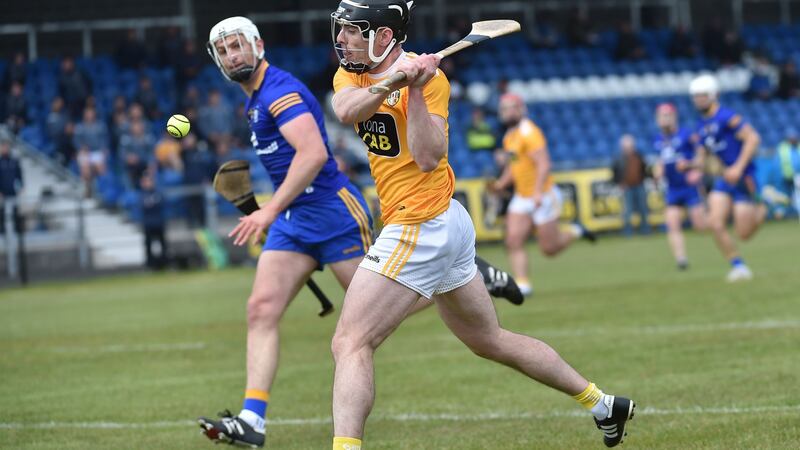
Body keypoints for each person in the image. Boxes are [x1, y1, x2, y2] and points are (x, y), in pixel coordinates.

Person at [196, 16, 523, 448]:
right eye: (223, 51)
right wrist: (277, 213)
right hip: (294, 219)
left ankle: (467, 273)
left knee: (367, 311)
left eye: (238, 46)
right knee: (261, 309)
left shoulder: (279, 93)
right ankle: (252, 418)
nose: (232, 55)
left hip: (331, 211)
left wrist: (267, 211)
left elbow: (312, 154)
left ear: (258, 46)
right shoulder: (253, 99)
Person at [329, 2, 634, 450]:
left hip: (422, 224)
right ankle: (603, 403)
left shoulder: (433, 82)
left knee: (349, 342)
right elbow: (346, 111)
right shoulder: (351, 76)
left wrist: (414, 88)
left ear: (383, 35)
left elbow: (429, 156)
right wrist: (396, 80)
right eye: (340, 30)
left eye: (352, 31)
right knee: (489, 340)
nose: (341, 39)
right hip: (440, 226)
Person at [489, 93, 595, 296]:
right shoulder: (509, 136)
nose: (507, 112)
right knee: (513, 240)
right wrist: (501, 183)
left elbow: (544, 164)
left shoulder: (530, 133)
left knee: (550, 249)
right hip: (522, 196)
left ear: (521, 109)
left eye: (511, 107)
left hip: (543, 194)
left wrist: (537, 192)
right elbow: (515, 166)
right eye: (503, 108)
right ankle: (522, 283)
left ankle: (574, 231)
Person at [689, 74, 765, 281]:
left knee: (744, 234)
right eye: (695, 96)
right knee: (715, 223)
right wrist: (692, 166)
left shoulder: (727, 117)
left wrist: (738, 168)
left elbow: (753, 138)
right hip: (724, 180)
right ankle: (738, 266)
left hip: (743, 178)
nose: (698, 100)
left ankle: (762, 210)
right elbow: (704, 156)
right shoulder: (700, 125)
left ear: (713, 95)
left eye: (702, 95)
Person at [652, 103, 707, 270]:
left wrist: (696, 169)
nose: (664, 119)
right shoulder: (657, 139)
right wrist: (657, 172)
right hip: (672, 188)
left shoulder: (687, 134)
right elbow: (661, 161)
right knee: (672, 223)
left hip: (689, 187)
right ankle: (681, 260)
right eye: (661, 116)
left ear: (674, 117)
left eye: (667, 115)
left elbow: (702, 154)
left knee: (700, 225)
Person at [613, 134, 651, 236]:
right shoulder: (618, 158)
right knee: (627, 210)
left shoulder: (639, 155)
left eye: (630, 145)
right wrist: (619, 183)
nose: (628, 147)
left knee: (643, 208)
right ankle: (627, 231)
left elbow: (645, 169)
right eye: (626, 145)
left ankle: (645, 229)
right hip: (627, 187)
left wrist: (646, 179)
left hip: (639, 185)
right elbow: (615, 173)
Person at [140, 173, 167, 269]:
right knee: (148, 245)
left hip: (158, 222)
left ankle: (164, 263)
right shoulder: (142, 194)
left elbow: (160, 203)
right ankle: (150, 264)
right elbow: (144, 205)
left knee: (162, 244)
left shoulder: (157, 192)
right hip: (148, 223)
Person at [0, 136, 23, 235]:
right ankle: (2, 231)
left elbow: (19, 175)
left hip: (13, 190)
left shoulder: (14, 161)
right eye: (3, 146)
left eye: (6, 146)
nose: (5, 148)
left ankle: (17, 231)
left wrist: (21, 187)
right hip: (2, 191)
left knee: (15, 211)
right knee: (3, 212)